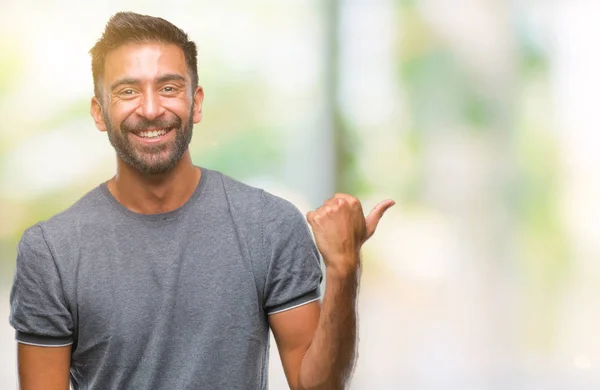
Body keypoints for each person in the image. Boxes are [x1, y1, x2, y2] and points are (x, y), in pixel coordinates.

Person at [9, 11, 394, 390]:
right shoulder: (51, 251)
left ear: (196, 103)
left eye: (169, 87)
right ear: (99, 111)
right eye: (127, 91)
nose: (150, 108)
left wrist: (343, 269)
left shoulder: (268, 225)